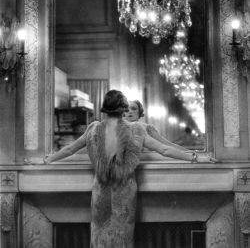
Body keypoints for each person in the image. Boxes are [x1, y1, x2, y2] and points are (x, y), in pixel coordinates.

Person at [44, 90, 216, 248]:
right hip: (124, 191)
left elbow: (69, 149)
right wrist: (195, 157)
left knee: (99, 235)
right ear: (123, 109)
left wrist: (48, 159)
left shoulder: (93, 129)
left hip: (100, 190)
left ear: (105, 108)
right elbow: (164, 149)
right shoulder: (135, 130)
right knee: (123, 237)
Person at [124, 99, 190, 152]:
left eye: (134, 108)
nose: (130, 111)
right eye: (127, 109)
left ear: (139, 112)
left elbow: (166, 144)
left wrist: (189, 152)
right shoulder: (117, 128)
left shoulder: (148, 128)